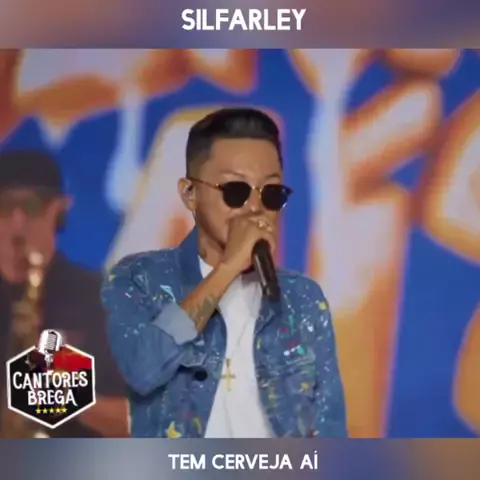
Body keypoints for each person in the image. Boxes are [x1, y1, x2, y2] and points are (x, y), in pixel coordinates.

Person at [101, 107, 347, 438]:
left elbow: (330, 427)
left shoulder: (303, 299)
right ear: (190, 194)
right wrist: (227, 269)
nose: (255, 208)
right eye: (236, 191)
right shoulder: (140, 278)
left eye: (271, 193)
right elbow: (143, 369)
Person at [0, 149, 128, 437]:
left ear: (58, 210)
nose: (18, 224)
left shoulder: (102, 298)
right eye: (4, 207)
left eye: (31, 207)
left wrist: (73, 398)